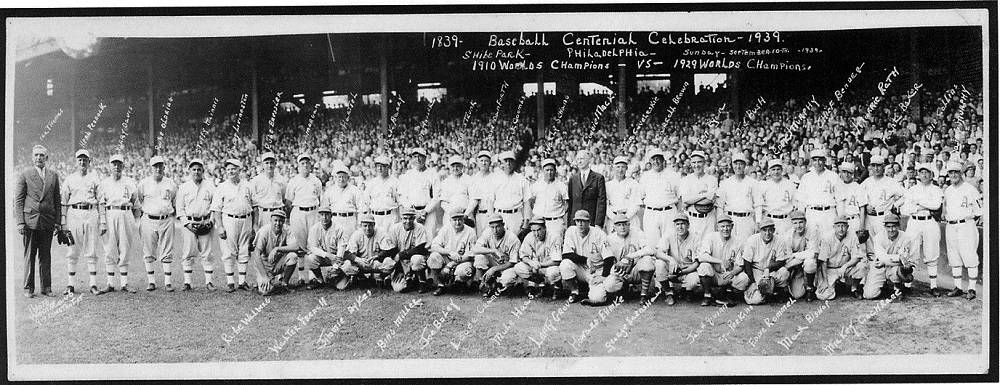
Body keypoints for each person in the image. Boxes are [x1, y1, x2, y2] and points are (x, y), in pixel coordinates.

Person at [16, 145, 62, 298]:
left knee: (45, 255)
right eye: (36, 155)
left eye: (42, 155)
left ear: (46, 158)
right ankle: (28, 288)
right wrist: (20, 222)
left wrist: (57, 222)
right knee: (29, 255)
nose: (39, 158)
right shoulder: (25, 174)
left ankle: (46, 287)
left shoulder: (53, 176)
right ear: (32, 157)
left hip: (47, 221)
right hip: (30, 221)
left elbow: (57, 200)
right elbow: (19, 200)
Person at [60, 149, 103, 295]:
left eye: (85, 160)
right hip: (74, 213)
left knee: (91, 247)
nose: (82, 162)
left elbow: (101, 200)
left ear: (89, 162)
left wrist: (102, 221)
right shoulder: (70, 179)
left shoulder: (95, 178)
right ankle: (71, 285)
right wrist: (63, 222)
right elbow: (63, 202)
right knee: (72, 247)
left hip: (91, 212)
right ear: (76, 162)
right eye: (80, 159)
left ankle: (93, 284)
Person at [96, 154, 140, 294]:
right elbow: (101, 204)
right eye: (114, 164)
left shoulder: (130, 182)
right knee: (109, 248)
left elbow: (136, 204)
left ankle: (124, 283)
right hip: (109, 214)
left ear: (123, 166)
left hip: (126, 213)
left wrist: (135, 222)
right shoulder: (104, 183)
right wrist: (102, 222)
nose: (116, 167)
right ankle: (110, 283)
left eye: (119, 164)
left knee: (125, 247)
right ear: (109, 166)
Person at [592, 214, 658, 305]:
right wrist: (614, 270)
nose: (622, 227)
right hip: (620, 271)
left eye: (624, 224)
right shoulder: (609, 239)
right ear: (614, 227)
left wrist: (631, 256)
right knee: (609, 285)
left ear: (629, 225)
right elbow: (608, 260)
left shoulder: (637, 232)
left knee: (647, 260)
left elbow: (651, 249)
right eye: (619, 225)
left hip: (636, 269)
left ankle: (643, 294)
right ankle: (624, 289)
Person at [211, 158, 256, 292]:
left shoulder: (248, 185)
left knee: (244, 250)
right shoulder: (222, 187)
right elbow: (217, 210)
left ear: (239, 170)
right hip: (228, 220)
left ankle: (242, 281)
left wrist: (255, 226)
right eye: (229, 169)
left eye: (234, 168)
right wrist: (220, 226)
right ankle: (230, 282)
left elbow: (255, 207)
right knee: (228, 251)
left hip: (246, 219)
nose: (231, 171)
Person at [901, 163, 944, 296]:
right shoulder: (912, 189)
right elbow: (904, 209)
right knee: (911, 251)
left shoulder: (936, 189)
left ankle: (933, 286)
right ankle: (907, 284)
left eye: (927, 172)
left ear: (931, 175)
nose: (924, 175)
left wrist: (918, 203)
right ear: (918, 174)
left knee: (931, 252)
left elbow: (936, 206)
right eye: (921, 172)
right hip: (914, 221)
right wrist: (920, 207)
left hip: (929, 221)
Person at [175, 158, 218, 292]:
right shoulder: (183, 187)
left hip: (206, 221)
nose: (196, 172)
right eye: (194, 169)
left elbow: (215, 206)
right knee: (188, 252)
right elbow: (179, 208)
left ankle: (209, 282)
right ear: (190, 171)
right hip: (189, 222)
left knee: (207, 253)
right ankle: (187, 282)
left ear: (203, 171)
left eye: (199, 169)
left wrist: (211, 220)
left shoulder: (210, 186)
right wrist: (186, 224)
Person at [137, 155, 178, 292]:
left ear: (164, 167)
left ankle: (167, 282)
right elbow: (139, 200)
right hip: (149, 219)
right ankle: (151, 281)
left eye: (160, 166)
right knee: (148, 250)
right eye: (155, 166)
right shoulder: (144, 183)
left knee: (166, 250)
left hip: (166, 219)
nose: (158, 168)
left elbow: (174, 201)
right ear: (151, 168)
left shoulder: (170, 183)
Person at [942, 162, 982, 300]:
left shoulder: (970, 189)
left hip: (966, 225)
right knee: (954, 257)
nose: (953, 175)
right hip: (951, 225)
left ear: (961, 174)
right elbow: (945, 209)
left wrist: (969, 221)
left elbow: (980, 210)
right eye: (950, 172)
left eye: (956, 172)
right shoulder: (948, 190)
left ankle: (971, 289)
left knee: (970, 256)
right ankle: (958, 287)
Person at [729, 218, 789, 305]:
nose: (767, 233)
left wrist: (768, 269)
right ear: (759, 231)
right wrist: (753, 283)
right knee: (753, 300)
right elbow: (747, 263)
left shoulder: (779, 240)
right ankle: (759, 291)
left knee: (784, 272)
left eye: (770, 230)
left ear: (774, 230)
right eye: (764, 230)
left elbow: (781, 261)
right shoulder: (752, 240)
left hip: (770, 271)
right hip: (755, 270)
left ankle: (775, 291)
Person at [558, 210, 612, 304]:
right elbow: (566, 254)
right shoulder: (571, 231)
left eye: (583, 221)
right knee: (565, 265)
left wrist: (603, 276)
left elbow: (609, 257)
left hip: (597, 269)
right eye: (578, 221)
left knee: (597, 298)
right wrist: (586, 260)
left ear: (589, 222)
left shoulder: (599, 234)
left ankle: (604, 290)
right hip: (581, 267)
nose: (580, 224)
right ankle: (574, 291)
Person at [285, 153, 323, 284]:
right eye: (302, 163)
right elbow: (289, 201)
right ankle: (301, 276)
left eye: (307, 162)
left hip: (313, 211)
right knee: (299, 245)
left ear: (310, 164)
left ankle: (312, 277)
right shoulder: (294, 181)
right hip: (299, 212)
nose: (305, 165)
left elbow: (319, 197)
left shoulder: (316, 180)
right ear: (298, 165)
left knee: (312, 243)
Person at [695, 214, 749, 306]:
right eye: (722, 226)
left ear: (732, 226)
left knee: (744, 279)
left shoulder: (738, 241)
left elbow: (740, 265)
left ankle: (728, 292)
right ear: (718, 227)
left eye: (728, 226)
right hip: (714, 274)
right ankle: (707, 295)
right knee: (704, 266)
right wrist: (720, 261)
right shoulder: (710, 237)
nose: (725, 229)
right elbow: (702, 256)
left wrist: (732, 273)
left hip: (729, 275)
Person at [653, 213, 704, 305]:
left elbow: (697, 262)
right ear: (674, 225)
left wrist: (683, 272)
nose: (680, 227)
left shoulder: (695, 237)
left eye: (683, 224)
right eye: (677, 224)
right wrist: (671, 260)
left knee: (694, 280)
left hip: (688, 271)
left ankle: (687, 290)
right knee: (659, 264)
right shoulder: (669, 234)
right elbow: (658, 252)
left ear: (688, 225)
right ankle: (668, 292)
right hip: (672, 269)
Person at [426, 208, 479, 295]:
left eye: (460, 219)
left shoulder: (470, 231)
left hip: (462, 261)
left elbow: (470, 254)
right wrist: (449, 252)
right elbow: (434, 246)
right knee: (434, 257)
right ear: (450, 220)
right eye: (455, 220)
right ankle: (440, 285)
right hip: (448, 257)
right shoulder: (445, 229)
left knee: (464, 271)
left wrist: (450, 265)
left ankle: (461, 283)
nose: (457, 222)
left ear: (463, 219)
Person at [466, 213, 520, 297]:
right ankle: (482, 283)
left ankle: (498, 284)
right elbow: (475, 249)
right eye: (492, 227)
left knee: (506, 280)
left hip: (507, 267)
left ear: (503, 225)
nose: (495, 230)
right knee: (480, 258)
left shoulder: (512, 238)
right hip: (493, 262)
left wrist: (494, 269)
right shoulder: (487, 233)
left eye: (498, 226)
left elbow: (513, 262)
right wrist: (493, 251)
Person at [380, 206, 432, 293]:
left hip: (414, 259)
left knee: (417, 259)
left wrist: (401, 255)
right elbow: (391, 248)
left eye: (411, 218)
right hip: (400, 263)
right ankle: (408, 280)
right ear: (401, 218)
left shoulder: (419, 227)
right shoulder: (395, 228)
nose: (408, 221)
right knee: (398, 288)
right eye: (405, 218)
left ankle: (422, 281)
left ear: (414, 218)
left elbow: (420, 248)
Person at [815, 215, 867, 300]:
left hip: (845, 268)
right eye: (838, 226)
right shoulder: (827, 237)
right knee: (823, 295)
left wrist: (845, 266)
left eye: (843, 226)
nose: (841, 229)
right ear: (834, 227)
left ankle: (854, 287)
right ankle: (837, 285)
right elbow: (823, 261)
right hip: (830, 269)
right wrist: (825, 281)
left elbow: (857, 256)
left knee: (862, 266)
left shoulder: (852, 235)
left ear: (847, 227)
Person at [863, 213, 914, 300]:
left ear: (898, 226)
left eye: (894, 226)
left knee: (898, 270)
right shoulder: (879, 237)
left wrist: (899, 259)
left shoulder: (905, 237)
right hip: (879, 267)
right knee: (869, 295)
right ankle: (883, 287)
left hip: (893, 267)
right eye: (888, 227)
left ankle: (898, 288)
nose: (891, 230)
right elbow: (881, 256)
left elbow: (904, 258)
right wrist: (898, 257)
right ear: (885, 227)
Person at [511, 216, 564, 299]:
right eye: (533, 230)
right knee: (519, 267)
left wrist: (539, 265)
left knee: (553, 273)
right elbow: (523, 255)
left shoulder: (554, 237)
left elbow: (557, 260)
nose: (536, 233)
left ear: (545, 228)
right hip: (536, 266)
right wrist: (530, 262)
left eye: (539, 230)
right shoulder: (530, 236)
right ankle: (541, 284)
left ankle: (557, 286)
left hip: (550, 265)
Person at [251, 210, 301, 295]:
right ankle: (264, 280)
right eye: (275, 220)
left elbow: (296, 247)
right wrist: (264, 276)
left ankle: (284, 284)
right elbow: (256, 254)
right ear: (271, 221)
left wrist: (277, 249)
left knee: (293, 256)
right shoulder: (264, 231)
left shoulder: (287, 229)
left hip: (278, 262)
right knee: (265, 291)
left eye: (281, 221)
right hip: (265, 265)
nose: (278, 223)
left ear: (284, 221)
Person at [637, 149, 682, 241]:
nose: (656, 161)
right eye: (653, 159)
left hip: (669, 212)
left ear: (663, 160)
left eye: (658, 159)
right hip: (651, 213)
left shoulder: (673, 175)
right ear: (650, 161)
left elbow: (679, 197)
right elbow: (641, 196)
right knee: (652, 243)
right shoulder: (645, 176)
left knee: (671, 242)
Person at [796, 149, 841, 239]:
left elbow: (840, 200)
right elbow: (801, 201)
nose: (818, 163)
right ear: (812, 161)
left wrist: (839, 219)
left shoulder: (833, 176)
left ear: (825, 160)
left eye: (820, 160)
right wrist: (801, 220)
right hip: (811, 213)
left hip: (828, 213)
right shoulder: (806, 177)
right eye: (815, 160)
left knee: (828, 241)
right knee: (811, 243)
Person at [716, 152, 758, 246]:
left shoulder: (753, 183)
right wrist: (720, 222)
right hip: (730, 219)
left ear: (745, 165)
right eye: (735, 163)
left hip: (747, 220)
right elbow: (720, 206)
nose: (738, 167)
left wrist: (758, 222)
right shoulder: (725, 183)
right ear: (732, 165)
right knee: (729, 247)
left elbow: (758, 204)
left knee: (746, 247)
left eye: (741, 164)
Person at [399, 147, 442, 237]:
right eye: (415, 156)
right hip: (412, 213)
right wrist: (413, 211)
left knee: (429, 240)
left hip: (428, 213)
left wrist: (425, 212)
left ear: (425, 158)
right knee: (412, 239)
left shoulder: (432, 174)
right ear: (412, 159)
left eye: (420, 156)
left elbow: (437, 197)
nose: (418, 159)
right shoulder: (408, 174)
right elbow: (402, 196)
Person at [303, 206, 349, 290]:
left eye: (327, 215)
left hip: (338, 258)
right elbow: (313, 248)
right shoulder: (314, 229)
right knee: (310, 258)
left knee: (340, 287)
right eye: (322, 215)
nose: (324, 217)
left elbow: (341, 248)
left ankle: (339, 276)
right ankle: (320, 280)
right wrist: (327, 255)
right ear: (318, 216)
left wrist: (335, 266)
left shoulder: (340, 228)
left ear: (331, 215)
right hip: (324, 257)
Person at [342, 214, 395, 287]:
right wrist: (358, 259)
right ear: (361, 226)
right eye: (365, 226)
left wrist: (377, 256)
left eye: (370, 225)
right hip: (361, 262)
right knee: (346, 265)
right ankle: (360, 277)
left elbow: (389, 250)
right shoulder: (357, 234)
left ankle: (380, 277)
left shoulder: (381, 232)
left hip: (376, 262)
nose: (368, 228)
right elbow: (347, 253)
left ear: (374, 225)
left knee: (390, 263)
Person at [778, 210, 818, 301]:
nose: (798, 226)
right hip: (796, 267)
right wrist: (796, 258)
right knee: (797, 295)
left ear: (805, 222)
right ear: (791, 223)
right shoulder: (788, 236)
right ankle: (786, 289)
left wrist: (796, 255)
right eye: (795, 223)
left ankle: (810, 288)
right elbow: (788, 258)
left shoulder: (812, 232)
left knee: (810, 262)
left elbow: (812, 253)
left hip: (808, 264)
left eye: (801, 222)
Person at [861, 155, 905, 238]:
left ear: (883, 166)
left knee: (884, 245)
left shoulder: (890, 182)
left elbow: (906, 195)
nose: (876, 168)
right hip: (869, 218)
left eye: (878, 165)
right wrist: (866, 206)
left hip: (884, 217)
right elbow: (858, 197)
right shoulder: (867, 182)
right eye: (873, 166)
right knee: (871, 248)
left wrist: (896, 205)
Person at [679, 150, 718, 238]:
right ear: (691, 164)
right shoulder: (685, 180)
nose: (696, 165)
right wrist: (704, 195)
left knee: (708, 247)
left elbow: (709, 200)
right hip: (691, 219)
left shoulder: (712, 179)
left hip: (708, 219)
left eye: (699, 162)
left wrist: (692, 199)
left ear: (704, 163)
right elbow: (685, 199)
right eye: (694, 162)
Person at [567, 149, 608, 229]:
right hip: (576, 221)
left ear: (589, 160)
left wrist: (598, 223)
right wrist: (570, 224)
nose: (579, 161)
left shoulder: (598, 178)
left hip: (591, 221)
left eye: (582, 159)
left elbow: (601, 202)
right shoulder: (572, 179)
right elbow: (571, 204)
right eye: (578, 159)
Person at [249, 151, 287, 236]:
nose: (269, 165)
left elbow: (284, 198)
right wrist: (255, 223)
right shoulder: (256, 181)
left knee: (278, 239)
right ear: (262, 164)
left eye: (271, 163)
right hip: (263, 214)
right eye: (266, 163)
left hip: (278, 212)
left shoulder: (281, 180)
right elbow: (253, 204)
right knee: (263, 239)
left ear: (275, 164)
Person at [530, 158, 569, 240]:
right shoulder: (536, 185)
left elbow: (566, 204)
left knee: (556, 245)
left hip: (555, 221)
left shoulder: (561, 186)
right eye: (547, 170)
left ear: (555, 171)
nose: (549, 172)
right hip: (539, 222)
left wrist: (559, 214)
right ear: (542, 170)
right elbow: (531, 202)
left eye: (551, 170)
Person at [758, 159, 797, 235]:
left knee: (786, 244)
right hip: (769, 219)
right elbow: (759, 205)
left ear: (782, 170)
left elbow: (795, 204)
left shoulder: (790, 184)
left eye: (778, 169)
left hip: (785, 220)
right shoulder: (763, 185)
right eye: (773, 169)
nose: (776, 172)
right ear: (769, 171)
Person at [321, 163, 363, 233]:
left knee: (350, 242)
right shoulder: (329, 191)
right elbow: (324, 208)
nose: (341, 179)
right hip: (335, 220)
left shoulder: (354, 190)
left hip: (350, 221)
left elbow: (361, 209)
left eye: (344, 177)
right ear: (335, 178)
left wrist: (359, 224)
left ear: (348, 178)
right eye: (339, 177)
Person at [605, 156, 642, 234]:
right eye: (618, 167)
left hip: (630, 219)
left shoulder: (633, 183)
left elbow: (636, 204)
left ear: (627, 168)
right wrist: (615, 218)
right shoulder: (608, 185)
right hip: (613, 220)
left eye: (623, 167)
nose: (620, 170)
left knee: (632, 243)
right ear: (613, 168)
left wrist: (625, 218)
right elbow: (605, 205)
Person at [364, 155, 401, 232]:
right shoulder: (371, 182)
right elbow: (367, 202)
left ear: (388, 167)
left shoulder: (395, 182)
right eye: (378, 166)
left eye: (382, 166)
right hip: (375, 217)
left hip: (390, 217)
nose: (379, 168)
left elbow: (400, 202)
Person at [468, 150, 498, 236]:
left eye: (486, 161)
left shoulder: (495, 178)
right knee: (479, 240)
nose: (484, 163)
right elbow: (473, 199)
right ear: (477, 162)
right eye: (481, 160)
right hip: (478, 215)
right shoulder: (474, 178)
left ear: (490, 163)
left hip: (492, 214)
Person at [439, 155, 474, 228]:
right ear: (450, 167)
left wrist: (466, 214)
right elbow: (443, 202)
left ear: (462, 167)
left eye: (458, 166)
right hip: (450, 216)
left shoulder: (469, 180)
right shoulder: (446, 182)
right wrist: (453, 213)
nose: (455, 168)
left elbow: (474, 200)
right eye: (453, 166)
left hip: (465, 215)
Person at [836, 162, 868, 235]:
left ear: (853, 174)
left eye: (849, 172)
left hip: (853, 220)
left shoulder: (858, 187)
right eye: (844, 172)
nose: (846, 175)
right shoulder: (838, 186)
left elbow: (862, 208)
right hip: (841, 221)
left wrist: (862, 225)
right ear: (841, 173)